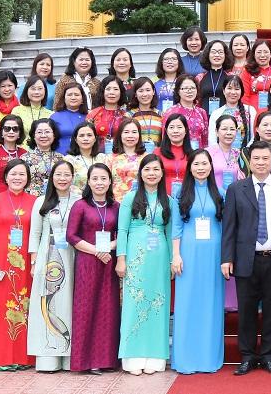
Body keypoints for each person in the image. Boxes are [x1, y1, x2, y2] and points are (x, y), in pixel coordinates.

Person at [221, 141, 271, 376]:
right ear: (249, 161)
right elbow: (229, 227)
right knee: (246, 311)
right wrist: (227, 258)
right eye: (256, 158)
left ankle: (268, 356)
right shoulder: (236, 189)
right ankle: (247, 356)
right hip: (246, 259)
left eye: (265, 158)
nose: (261, 162)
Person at [116, 154, 173, 375]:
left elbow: (170, 233)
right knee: (134, 303)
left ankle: (155, 356)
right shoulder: (130, 198)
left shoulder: (168, 200)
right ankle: (133, 356)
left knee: (158, 305)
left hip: (159, 259)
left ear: (162, 173)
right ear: (140, 173)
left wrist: (172, 260)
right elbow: (122, 231)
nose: (152, 173)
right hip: (135, 257)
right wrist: (121, 258)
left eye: (156, 169)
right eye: (147, 169)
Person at [171, 150, 226, 374]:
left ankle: (208, 358)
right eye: (196, 164)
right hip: (188, 253)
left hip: (214, 255)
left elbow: (225, 226)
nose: (201, 168)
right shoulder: (180, 193)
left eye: (204, 164)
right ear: (190, 167)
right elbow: (176, 227)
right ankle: (186, 358)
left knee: (211, 304)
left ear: (211, 166)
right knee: (187, 304)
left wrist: (226, 257)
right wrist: (176, 255)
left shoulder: (220, 193)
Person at [66, 163, 120, 374]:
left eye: (103, 178)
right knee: (86, 308)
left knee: (108, 309)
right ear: (88, 181)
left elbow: (123, 234)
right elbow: (71, 236)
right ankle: (85, 361)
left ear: (110, 181)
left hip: (108, 263)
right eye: (95, 178)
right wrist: (97, 251)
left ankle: (106, 360)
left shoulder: (116, 207)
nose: (99, 183)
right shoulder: (80, 206)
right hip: (87, 262)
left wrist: (109, 248)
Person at [0, 159, 36, 370]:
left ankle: (24, 358)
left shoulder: (35, 201)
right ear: (6, 177)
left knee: (25, 305)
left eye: (22, 174)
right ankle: (2, 358)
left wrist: (35, 261)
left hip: (25, 262)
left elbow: (37, 233)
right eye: (13, 174)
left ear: (28, 178)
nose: (17, 178)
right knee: (2, 308)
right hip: (2, 261)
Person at [27, 160, 77, 372]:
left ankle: (69, 354)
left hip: (72, 257)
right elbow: (35, 234)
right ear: (52, 177)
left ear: (73, 178)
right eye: (58, 174)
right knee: (48, 303)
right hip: (47, 258)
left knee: (68, 303)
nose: (62, 179)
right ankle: (48, 355)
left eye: (67, 174)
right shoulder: (42, 201)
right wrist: (34, 262)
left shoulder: (78, 201)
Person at [207, 76, 256, 150]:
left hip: (246, 154)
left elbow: (254, 137)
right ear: (224, 91)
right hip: (221, 155)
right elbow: (212, 141)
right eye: (229, 88)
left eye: (237, 89)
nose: (233, 92)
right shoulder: (216, 114)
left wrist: (246, 152)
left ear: (241, 91)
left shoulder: (250, 111)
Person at [0, 114, 27, 196]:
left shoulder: (25, 154)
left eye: (15, 129)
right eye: (7, 129)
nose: (11, 132)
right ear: (1, 132)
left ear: (19, 133)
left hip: (21, 196)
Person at [107, 118, 148, 203]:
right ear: (120, 135)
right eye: (126, 132)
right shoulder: (110, 158)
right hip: (116, 203)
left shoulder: (146, 158)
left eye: (134, 132)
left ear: (139, 135)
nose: (130, 136)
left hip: (140, 203)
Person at [22, 118, 64, 197]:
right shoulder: (25, 159)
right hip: (32, 199)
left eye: (47, 132)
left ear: (54, 135)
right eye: (39, 132)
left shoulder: (61, 159)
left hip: (55, 199)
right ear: (33, 136)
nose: (43, 135)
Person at [165, 74, 209, 150]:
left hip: (198, 154)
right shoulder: (171, 112)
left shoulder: (201, 112)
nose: (189, 91)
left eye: (192, 88)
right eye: (185, 88)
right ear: (178, 91)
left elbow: (205, 139)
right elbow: (165, 139)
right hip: (178, 153)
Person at [87, 76, 129, 154]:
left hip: (120, 156)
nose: (111, 92)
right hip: (96, 155)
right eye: (108, 89)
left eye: (115, 89)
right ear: (103, 91)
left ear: (121, 92)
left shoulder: (126, 115)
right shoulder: (93, 114)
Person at [64, 122, 107, 195]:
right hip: (77, 198)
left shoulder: (103, 158)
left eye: (89, 135)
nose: (85, 139)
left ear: (95, 138)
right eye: (81, 135)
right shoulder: (69, 160)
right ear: (75, 139)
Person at [208, 114, 246, 192]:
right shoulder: (207, 153)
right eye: (224, 129)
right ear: (216, 132)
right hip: (213, 195)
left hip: (234, 196)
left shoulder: (239, 154)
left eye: (232, 129)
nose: (229, 133)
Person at [157, 113, 193, 194]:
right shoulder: (157, 152)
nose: (175, 131)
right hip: (163, 196)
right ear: (166, 131)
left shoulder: (192, 154)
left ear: (186, 130)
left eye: (179, 127)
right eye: (171, 127)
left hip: (187, 196)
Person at [239, 39, 271, 109]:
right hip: (252, 111)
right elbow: (244, 96)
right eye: (259, 52)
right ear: (254, 54)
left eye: (265, 52)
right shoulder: (247, 72)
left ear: (270, 54)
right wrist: (249, 112)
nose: (262, 55)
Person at [51, 82, 89, 155]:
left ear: (82, 98)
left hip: (83, 156)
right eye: (69, 95)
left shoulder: (89, 116)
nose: (73, 97)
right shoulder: (55, 117)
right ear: (64, 98)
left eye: (76, 95)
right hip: (60, 156)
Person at [128, 77, 163, 153]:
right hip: (136, 155)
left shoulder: (162, 115)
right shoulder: (129, 116)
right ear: (135, 94)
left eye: (148, 90)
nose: (145, 94)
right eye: (141, 91)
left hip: (156, 156)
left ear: (153, 92)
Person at [197, 40, 232, 109]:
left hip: (226, 115)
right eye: (213, 52)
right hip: (204, 114)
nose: (217, 55)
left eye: (220, 52)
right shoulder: (200, 77)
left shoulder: (231, 77)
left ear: (225, 55)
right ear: (208, 55)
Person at [154, 48, 184, 113]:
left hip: (179, 117)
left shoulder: (184, 82)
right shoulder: (154, 82)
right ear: (161, 62)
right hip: (158, 117)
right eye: (166, 59)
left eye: (174, 59)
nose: (170, 62)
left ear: (179, 62)